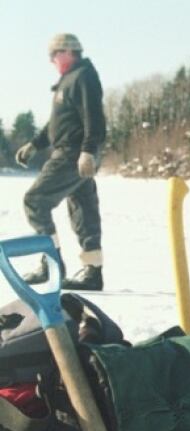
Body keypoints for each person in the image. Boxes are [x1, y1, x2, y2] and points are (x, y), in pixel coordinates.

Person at [15, 33, 106, 290]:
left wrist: (88, 150)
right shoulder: (68, 81)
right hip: (74, 153)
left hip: (72, 154)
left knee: (35, 200)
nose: (52, 61)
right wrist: (35, 144)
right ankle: (93, 271)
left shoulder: (83, 76)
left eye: (53, 55)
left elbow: (94, 117)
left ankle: (50, 265)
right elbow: (57, 124)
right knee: (83, 211)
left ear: (67, 52)